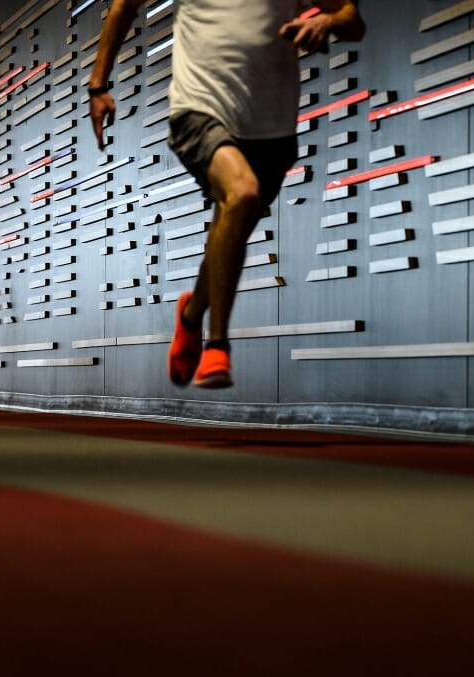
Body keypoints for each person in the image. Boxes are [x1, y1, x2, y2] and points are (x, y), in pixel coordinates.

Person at [89, 0, 366, 389]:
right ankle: (217, 346)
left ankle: (190, 316)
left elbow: (354, 23)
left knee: (231, 226)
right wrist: (98, 85)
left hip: (272, 126)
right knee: (242, 193)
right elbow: (123, 7)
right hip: (198, 110)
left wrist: (326, 21)